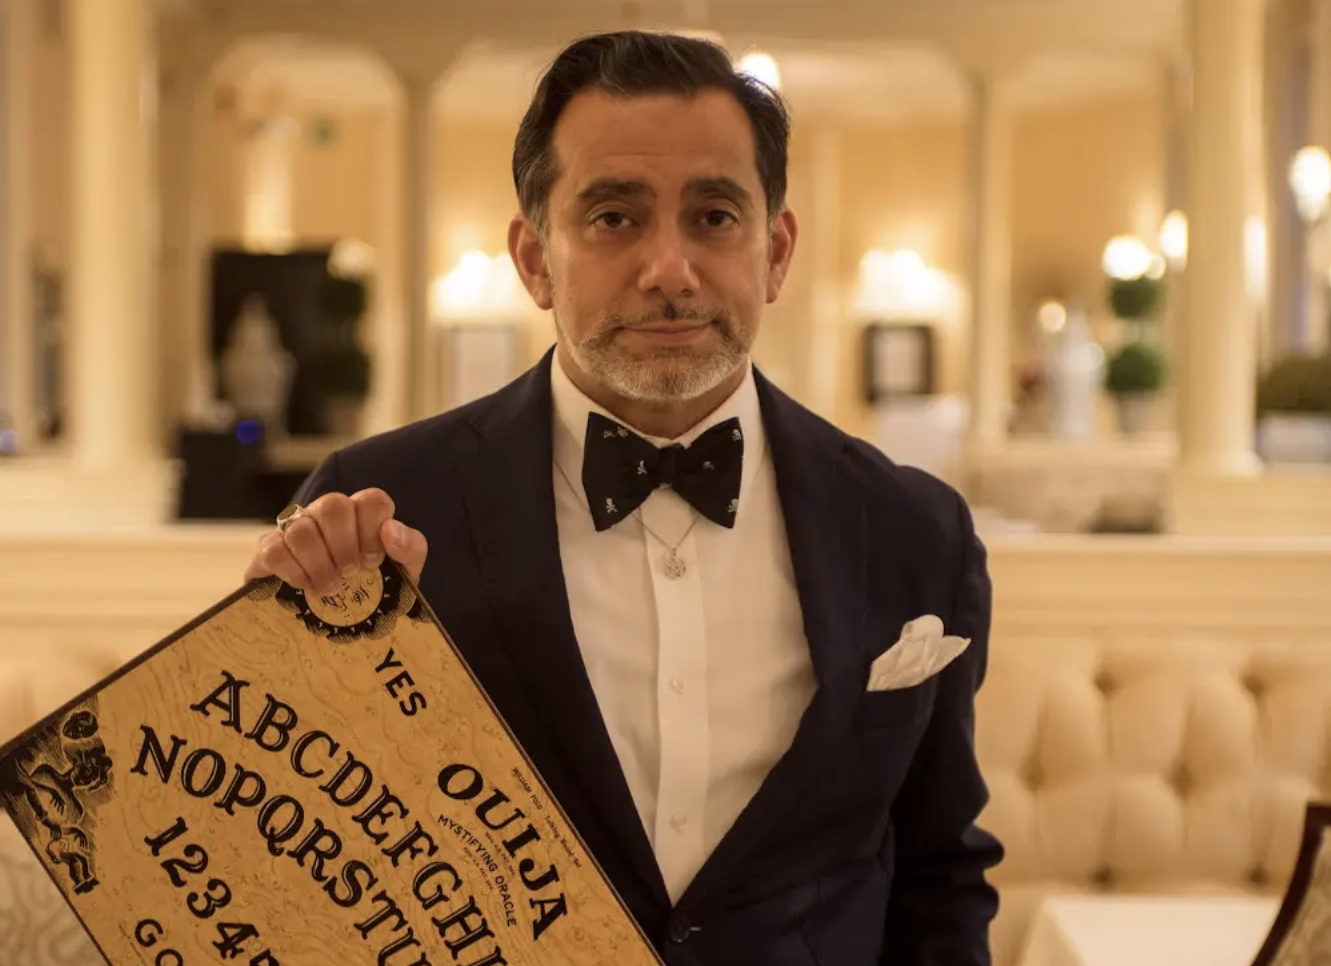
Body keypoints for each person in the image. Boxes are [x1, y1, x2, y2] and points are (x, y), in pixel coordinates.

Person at [245, 29, 1002, 964]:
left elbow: (939, 877)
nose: (670, 270)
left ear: (776, 249)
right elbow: (289, 860)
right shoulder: (381, 507)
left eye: (716, 216)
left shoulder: (913, 531)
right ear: (533, 259)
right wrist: (257, 653)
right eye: (614, 217)